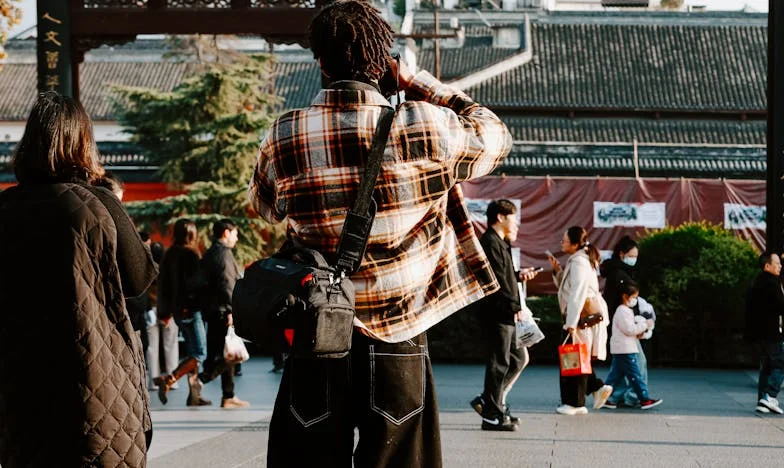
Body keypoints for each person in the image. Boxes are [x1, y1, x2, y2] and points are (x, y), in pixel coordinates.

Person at [249, 1, 512, 465]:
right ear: (384, 63)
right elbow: (495, 136)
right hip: (399, 333)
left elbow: (266, 208)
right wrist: (418, 83)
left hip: (319, 329)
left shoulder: (283, 134)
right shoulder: (427, 126)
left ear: (320, 61)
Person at [0, 91, 157, 466]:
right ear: (83, 144)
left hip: (21, 386)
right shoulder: (98, 204)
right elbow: (140, 278)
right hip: (94, 382)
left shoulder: (5, 208)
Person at [469, 200, 538, 431]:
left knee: (517, 358)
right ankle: (491, 415)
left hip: (506, 312)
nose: (516, 223)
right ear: (500, 217)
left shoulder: (500, 242)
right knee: (499, 363)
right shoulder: (490, 242)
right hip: (498, 312)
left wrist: (518, 276)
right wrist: (514, 306)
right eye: (513, 217)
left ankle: (489, 402)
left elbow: (504, 276)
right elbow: (496, 280)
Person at [550, 226, 613, 415]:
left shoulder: (579, 262)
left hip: (580, 319)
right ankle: (595, 388)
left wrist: (571, 323)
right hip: (580, 318)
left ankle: (574, 403)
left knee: (573, 358)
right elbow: (569, 288)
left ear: (575, 244)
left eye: (565, 240)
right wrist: (558, 272)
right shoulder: (579, 260)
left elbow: (578, 293)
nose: (562, 243)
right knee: (577, 357)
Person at [154, 218, 210, 406]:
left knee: (193, 353)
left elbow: (163, 285)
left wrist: (165, 312)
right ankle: (169, 379)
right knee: (200, 354)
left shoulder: (169, 253)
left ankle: (194, 396)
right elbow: (195, 284)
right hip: (191, 309)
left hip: (178, 311)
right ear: (191, 233)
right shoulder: (190, 254)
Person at [196, 219, 250, 408]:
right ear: (226, 233)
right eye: (235, 234)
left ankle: (228, 395)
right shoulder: (223, 254)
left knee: (228, 351)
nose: (237, 238)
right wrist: (231, 309)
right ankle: (200, 380)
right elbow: (227, 284)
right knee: (227, 355)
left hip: (214, 310)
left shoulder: (213, 251)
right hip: (222, 311)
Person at [600, 235, 650, 409]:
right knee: (638, 363)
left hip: (618, 326)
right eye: (631, 256)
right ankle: (635, 397)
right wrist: (640, 326)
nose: (634, 259)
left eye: (636, 256)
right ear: (621, 254)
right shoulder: (620, 275)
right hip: (624, 327)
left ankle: (612, 397)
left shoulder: (617, 272)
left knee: (621, 367)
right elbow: (623, 304)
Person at [745, 252, 784, 414]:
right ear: (767, 266)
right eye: (777, 263)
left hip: (759, 334)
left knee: (766, 367)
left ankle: (762, 401)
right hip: (771, 332)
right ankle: (770, 395)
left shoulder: (756, 282)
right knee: (780, 364)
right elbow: (780, 306)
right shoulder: (772, 283)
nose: (780, 266)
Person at [145, 240, 180, 391]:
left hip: (150, 310)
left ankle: (153, 382)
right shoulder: (169, 270)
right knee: (171, 345)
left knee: (152, 347)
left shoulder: (146, 269)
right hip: (167, 311)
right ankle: (172, 380)